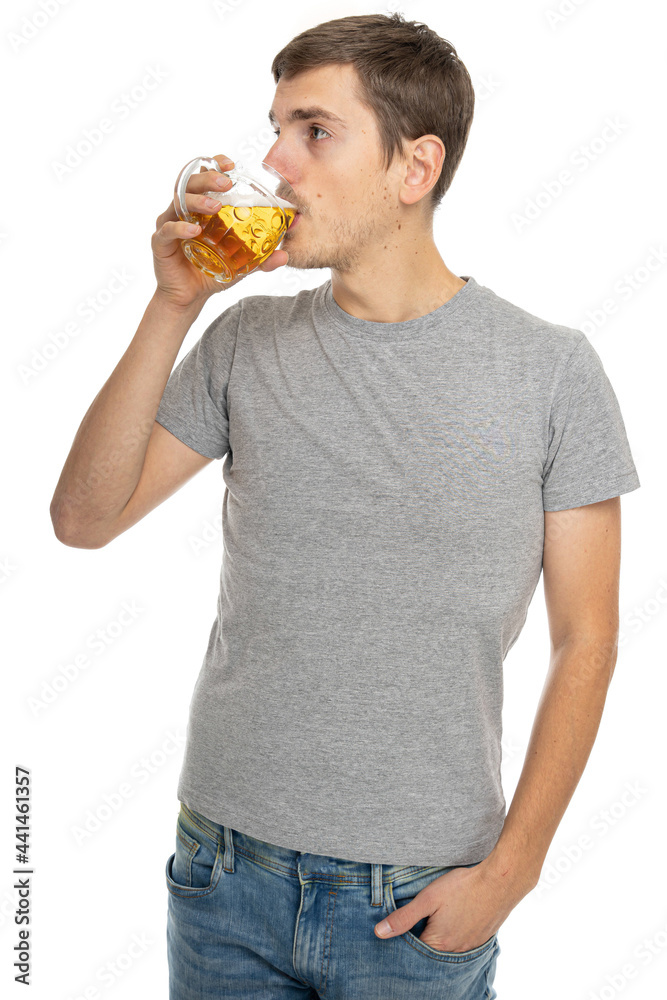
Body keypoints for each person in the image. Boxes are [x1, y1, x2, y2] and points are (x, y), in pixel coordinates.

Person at [49, 12, 641, 1000]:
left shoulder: (550, 372)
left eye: (314, 131)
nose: (276, 162)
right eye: (276, 127)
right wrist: (173, 303)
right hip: (223, 875)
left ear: (414, 168)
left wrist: (511, 874)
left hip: (417, 900)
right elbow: (83, 518)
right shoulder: (245, 342)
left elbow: (587, 639)